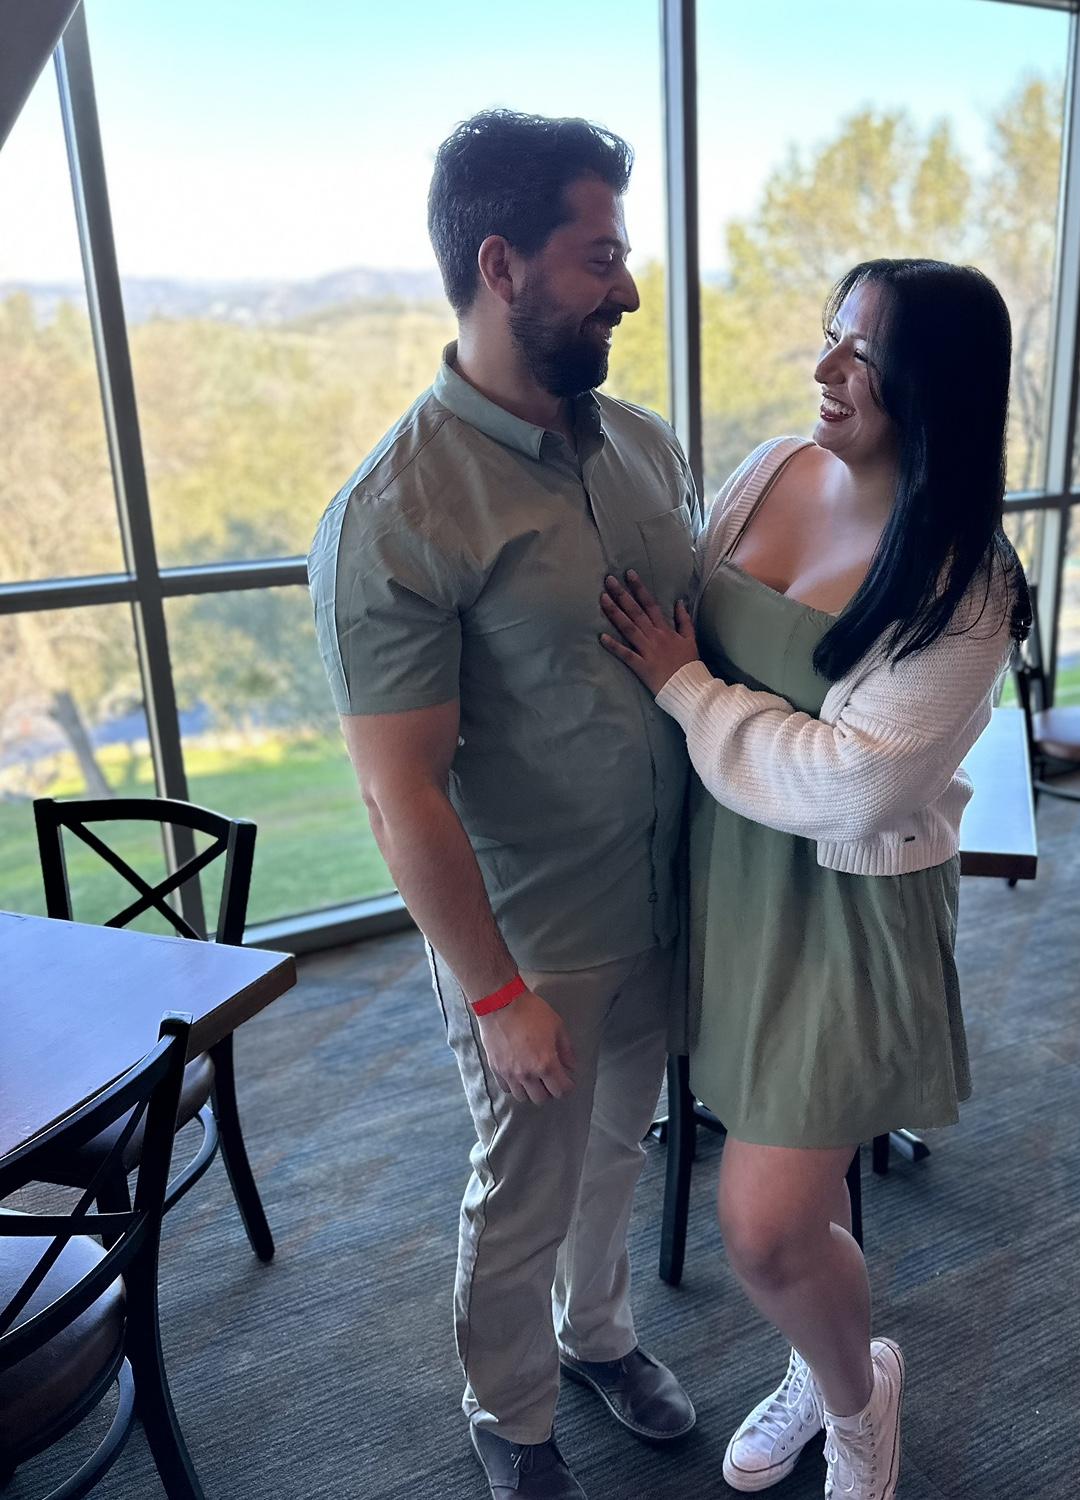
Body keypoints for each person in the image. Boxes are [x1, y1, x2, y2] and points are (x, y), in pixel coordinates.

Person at [308, 110, 697, 1500]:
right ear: (501, 265)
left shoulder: (643, 447)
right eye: (601, 257)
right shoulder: (398, 511)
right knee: (524, 1188)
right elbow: (397, 788)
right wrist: (493, 995)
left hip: (658, 900)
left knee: (619, 1152)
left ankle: (599, 1341)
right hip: (531, 940)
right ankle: (512, 1417)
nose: (629, 289)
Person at [599, 259, 1030, 1499]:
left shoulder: (968, 581)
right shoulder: (773, 468)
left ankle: (856, 1399)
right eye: (830, 336)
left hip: (843, 909)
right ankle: (826, 1360)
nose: (825, 369)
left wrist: (687, 689)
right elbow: (672, 621)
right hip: (729, 882)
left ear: (934, 387)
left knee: (766, 1224)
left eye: (865, 354)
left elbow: (857, 788)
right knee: (799, 1199)